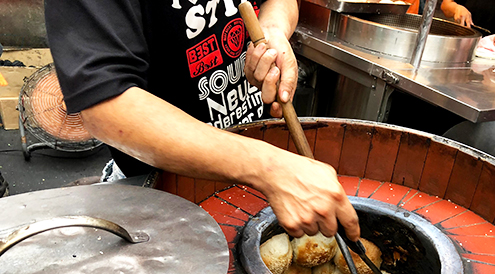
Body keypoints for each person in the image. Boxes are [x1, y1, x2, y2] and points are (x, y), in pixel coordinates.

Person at [43, 0, 360, 241]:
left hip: (260, 184)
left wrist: (272, 32)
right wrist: (269, 167)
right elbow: (106, 105)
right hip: (162, 198)